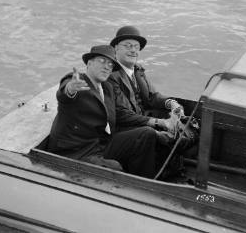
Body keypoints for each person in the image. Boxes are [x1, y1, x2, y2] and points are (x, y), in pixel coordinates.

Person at [47, 45, 157, 178]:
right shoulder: (77, 81)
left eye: (110, 65)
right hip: (76, 151)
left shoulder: (107, 87)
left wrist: (153, 122)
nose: (107, 67)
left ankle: (146, 181)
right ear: (89, 63)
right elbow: (64, 94)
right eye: (102, 61)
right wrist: (70, 89)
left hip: (100, 144)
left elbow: (119, 113)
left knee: (146, 133)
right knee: (115, 168)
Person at [108, 25, 186, 144]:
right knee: (172, 138)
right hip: (125, 130)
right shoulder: (110, 75)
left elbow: (152, 97)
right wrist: (159, 122)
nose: (133, 50)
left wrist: (172, 103)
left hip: (143, 120)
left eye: (136, 47)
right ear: (116, 48)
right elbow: (122, 114)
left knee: (187, 124)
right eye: (128, 46)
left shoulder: (138, 70)